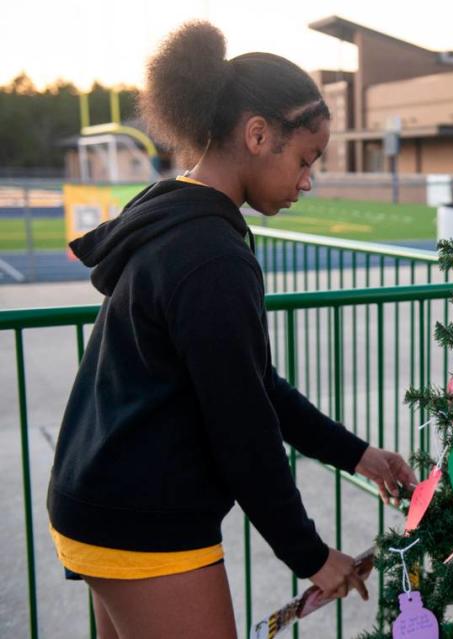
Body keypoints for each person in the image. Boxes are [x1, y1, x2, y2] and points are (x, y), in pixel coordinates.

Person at [46, 21, 417, 639]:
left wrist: (360, 456)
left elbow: (254, 385)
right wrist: (312, 555)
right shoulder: (210, 256)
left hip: (96, 498)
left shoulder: (175, 215)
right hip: (143, 518)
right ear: (256, 134)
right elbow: (243, 428)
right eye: (305, 159)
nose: (308, 180)